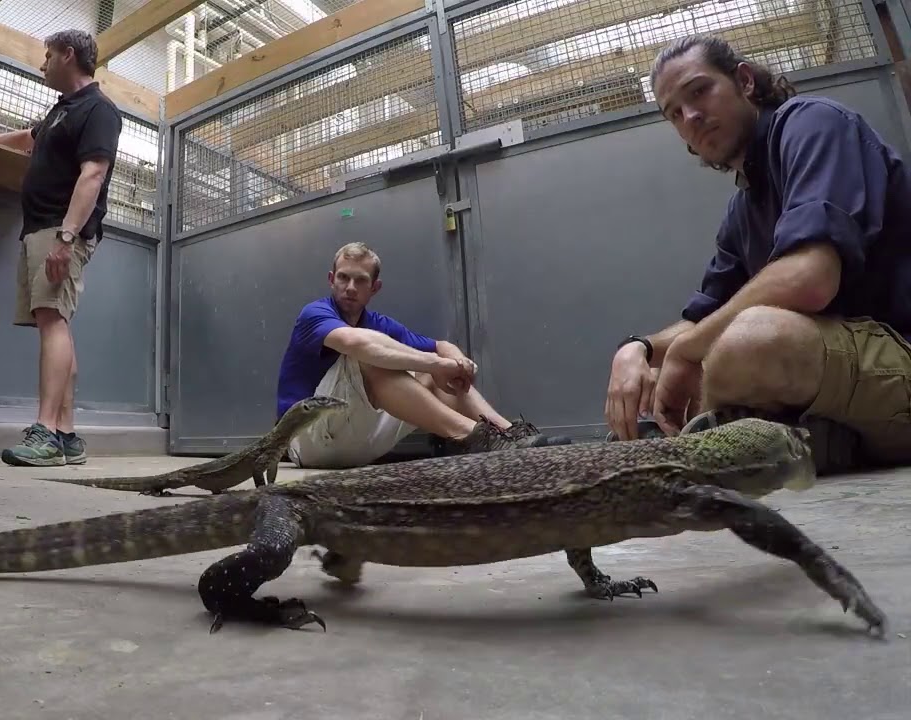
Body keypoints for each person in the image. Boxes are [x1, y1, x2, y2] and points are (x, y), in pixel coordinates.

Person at [604, 33, 911, 474]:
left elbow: (810, 277)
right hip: (836, 371)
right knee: (692, 359)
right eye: (674, 113)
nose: (690, 116)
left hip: (899, 354)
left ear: (744, 81)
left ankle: (784, 445)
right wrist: (639, 349)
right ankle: (819, 442)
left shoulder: (813, 123)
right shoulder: (742, 208)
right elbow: (702, 316)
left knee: (748, 339)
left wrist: (689, 350)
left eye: (699, 91)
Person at [276, 242, 570, 469]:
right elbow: (355, 343)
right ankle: (477, 437)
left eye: (361, 280)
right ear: (331, 279)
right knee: (373, 354)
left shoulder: (377, 322)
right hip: (306, 440)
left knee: (427, 369)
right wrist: (436, 363)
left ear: (375, 287)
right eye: (343, 277)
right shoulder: (314, 313)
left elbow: (440, 345)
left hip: (353, 443)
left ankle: (509, 434)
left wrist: (457, 362)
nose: (350, 287)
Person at [0, 29, 122, 467]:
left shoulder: (98, 110)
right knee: (54, 320)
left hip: (60, 230)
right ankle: (66, 435)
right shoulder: (62, 112)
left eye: (47, 56)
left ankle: (45, 433)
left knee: (53, 322)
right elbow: (28, 139)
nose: (41, 64)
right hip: (40, 227)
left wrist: (66, 237)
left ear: (68, 55)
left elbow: (93, 174)